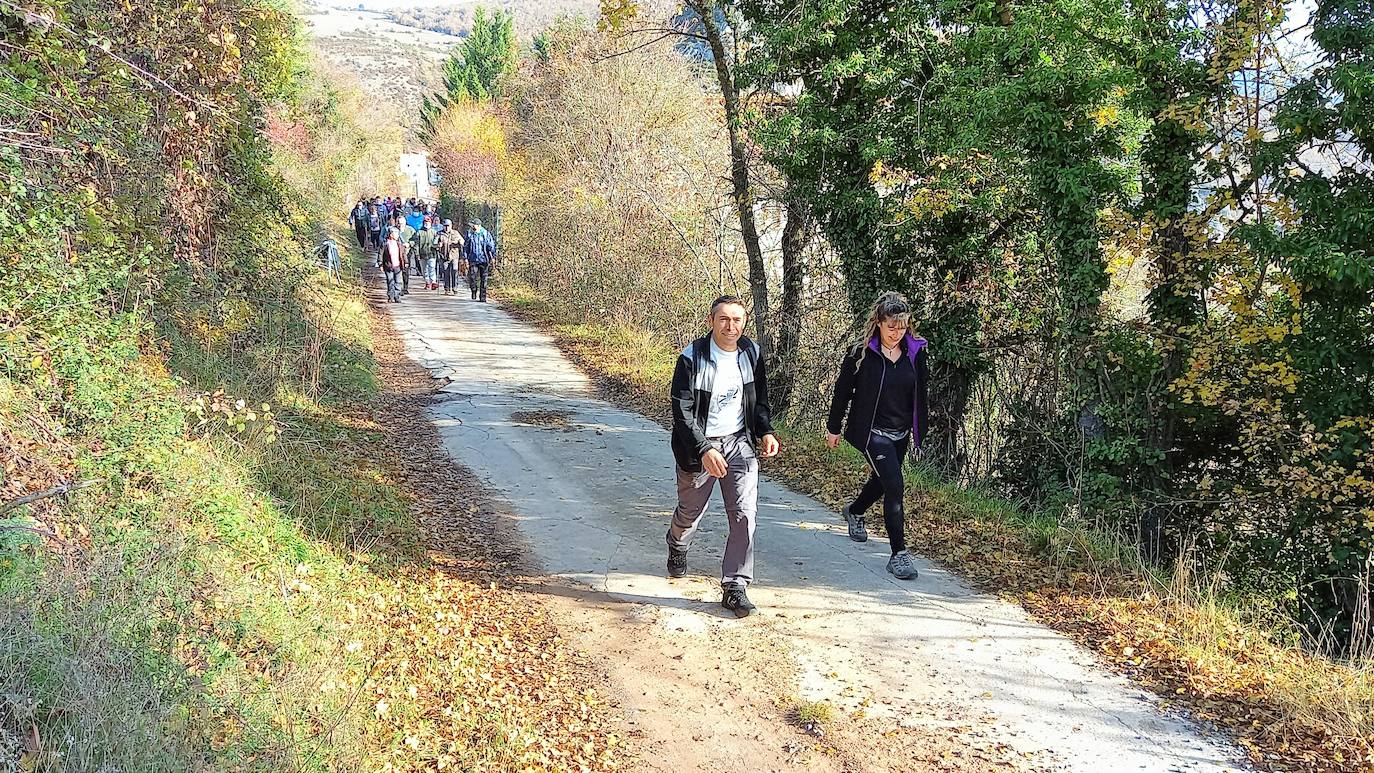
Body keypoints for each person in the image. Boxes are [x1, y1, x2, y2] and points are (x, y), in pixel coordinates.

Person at [667, 295, 780, 617]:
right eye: (724, 320)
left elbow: (759, 402)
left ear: (744, 322)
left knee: (745, 514)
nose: (731, 326)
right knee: (690, 513)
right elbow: (682, 411)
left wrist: (766, 431)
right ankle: (677, 542)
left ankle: (735, 586)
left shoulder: (751, 353)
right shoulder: (692, 358)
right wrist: (704, 449)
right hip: (698, 446)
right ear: (711, 321)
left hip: (739, 443)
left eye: (737, 320)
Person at [825, 291, 930, 581]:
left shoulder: (916, 352)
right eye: (891, 326)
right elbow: (842, 392)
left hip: (901, 433)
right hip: (872, 431)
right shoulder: (860, 353)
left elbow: (922, 393)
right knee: (895, 485)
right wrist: (833, 427)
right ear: (879, 324)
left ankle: (855, 511)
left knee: (882, 482)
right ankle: (898, 555)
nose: (897, 333)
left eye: (902, 326)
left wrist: (922, 429)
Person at [463, 218, 495, 302]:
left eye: (473, 225)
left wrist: (492, 257)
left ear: (478, 225)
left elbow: (491, 246)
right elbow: (465, 247)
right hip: (473, 259)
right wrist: (465, 258)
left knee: (484, 279)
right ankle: (473, 290)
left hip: (484, 260)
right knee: (472, 277)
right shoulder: (469, 234)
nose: (472, 226)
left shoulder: (485, 234)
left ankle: (483, 297)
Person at [436, 219, 465, 295]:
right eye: (445, 226)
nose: (446, 228)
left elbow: (462, 241)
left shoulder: (455, 233)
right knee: (446, 273)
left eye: (448, 226)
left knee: (454, 272)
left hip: (454, 256)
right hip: (444, 257)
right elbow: (434, 243)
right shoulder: (439, 234)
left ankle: (455, 288)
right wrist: (438, 245)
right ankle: (447, 288)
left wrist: (459, 243)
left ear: (451, 226)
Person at [380, 227, 405, 303]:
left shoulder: (399, 244)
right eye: (396, 233)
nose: (397, 235)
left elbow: (402, 254)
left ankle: (396, 296)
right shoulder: (385, 244)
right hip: (389, 265)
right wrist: (380, 264)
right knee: (390, 281)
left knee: (398, 281)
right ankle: (390, 296)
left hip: (398, 265)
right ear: (391, 234)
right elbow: (380, 254)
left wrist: (405, 262)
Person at [417, 216, 438, 290]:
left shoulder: (434, 232)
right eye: (425, 222)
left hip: (432, 253)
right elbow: (417, 244)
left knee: (432, 268)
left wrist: (437, 246)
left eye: (428, 221)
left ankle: (433, 282)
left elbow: (437, 242)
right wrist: (417, 254)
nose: (426, 223)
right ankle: (427, 282)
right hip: (422, 254)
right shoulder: (419, 232)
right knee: (424, 270)